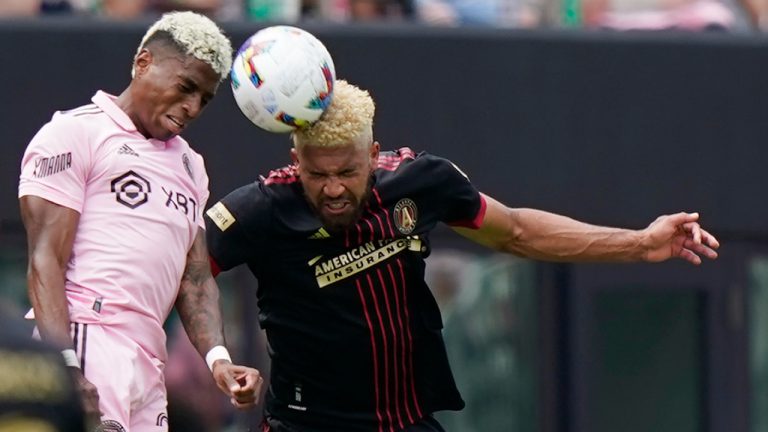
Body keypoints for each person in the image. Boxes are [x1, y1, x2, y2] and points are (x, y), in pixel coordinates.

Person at [204, 79, 720, 432]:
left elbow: (516, 231)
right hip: (302, 423)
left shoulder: (421, 182)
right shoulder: (258, 209)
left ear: (373, 154)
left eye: (348, 172)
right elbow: (181, 275)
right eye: (317, 175)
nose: (334, 188)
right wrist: (219, 360)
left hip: (406, 421)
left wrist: (638, 243)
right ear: (294, 160)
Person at [18, 11, 262, 432]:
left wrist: (218, 360)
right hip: (88, 338)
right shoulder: (74, 133)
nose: (191, 107)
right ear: (144, 63)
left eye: (203, 99)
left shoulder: (190, 165)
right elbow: (45, 261)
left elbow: (196, 278)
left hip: (149, 361)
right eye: (186, 87)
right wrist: (64, 367)